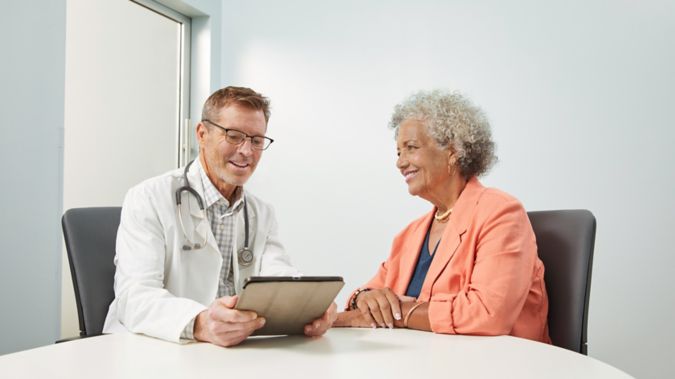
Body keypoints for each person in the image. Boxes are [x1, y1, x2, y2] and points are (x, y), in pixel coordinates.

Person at [103, 86, 336, 347]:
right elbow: (135, 297)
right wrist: (200, 323)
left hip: (228, 355)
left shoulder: (260, 213)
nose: (247, 151)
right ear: (202, 134)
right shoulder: (148, 198)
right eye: (234, 136)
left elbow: (278, 277)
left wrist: (306, 306)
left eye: (257, 140)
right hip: (154, 350)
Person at [335, 90, 551, 343]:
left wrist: (398, 313)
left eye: (411, 148)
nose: (400, 163)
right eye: (398, 152)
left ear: (453, 151)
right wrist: (364, 297)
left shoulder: (501, 213)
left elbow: (487, 313)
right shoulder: (409, 235)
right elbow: (371, 291)